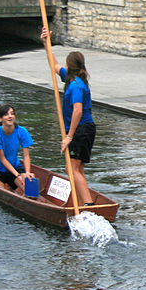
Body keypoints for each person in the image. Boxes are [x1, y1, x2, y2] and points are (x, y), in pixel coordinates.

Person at [42, 31, 98, 206]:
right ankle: (83, 202)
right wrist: (46, 42)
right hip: (85, 129)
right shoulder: (71, 77)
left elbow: (78, 111)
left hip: (81, 129)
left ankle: (89, 206)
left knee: (71, 168)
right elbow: (54, 65)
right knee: (77, 168)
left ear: (70, 65)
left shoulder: (75, 86)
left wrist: (69, 137)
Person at [0, 104, 35, 194]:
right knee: (1, 192)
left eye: (12, 114)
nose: (10, 116)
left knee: (32, 192)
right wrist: (17, 175)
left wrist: (27, 172)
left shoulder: (22, 131)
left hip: (15, 166)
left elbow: (26, 155)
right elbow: (2, 159)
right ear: (0, 118)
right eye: (6, 114)